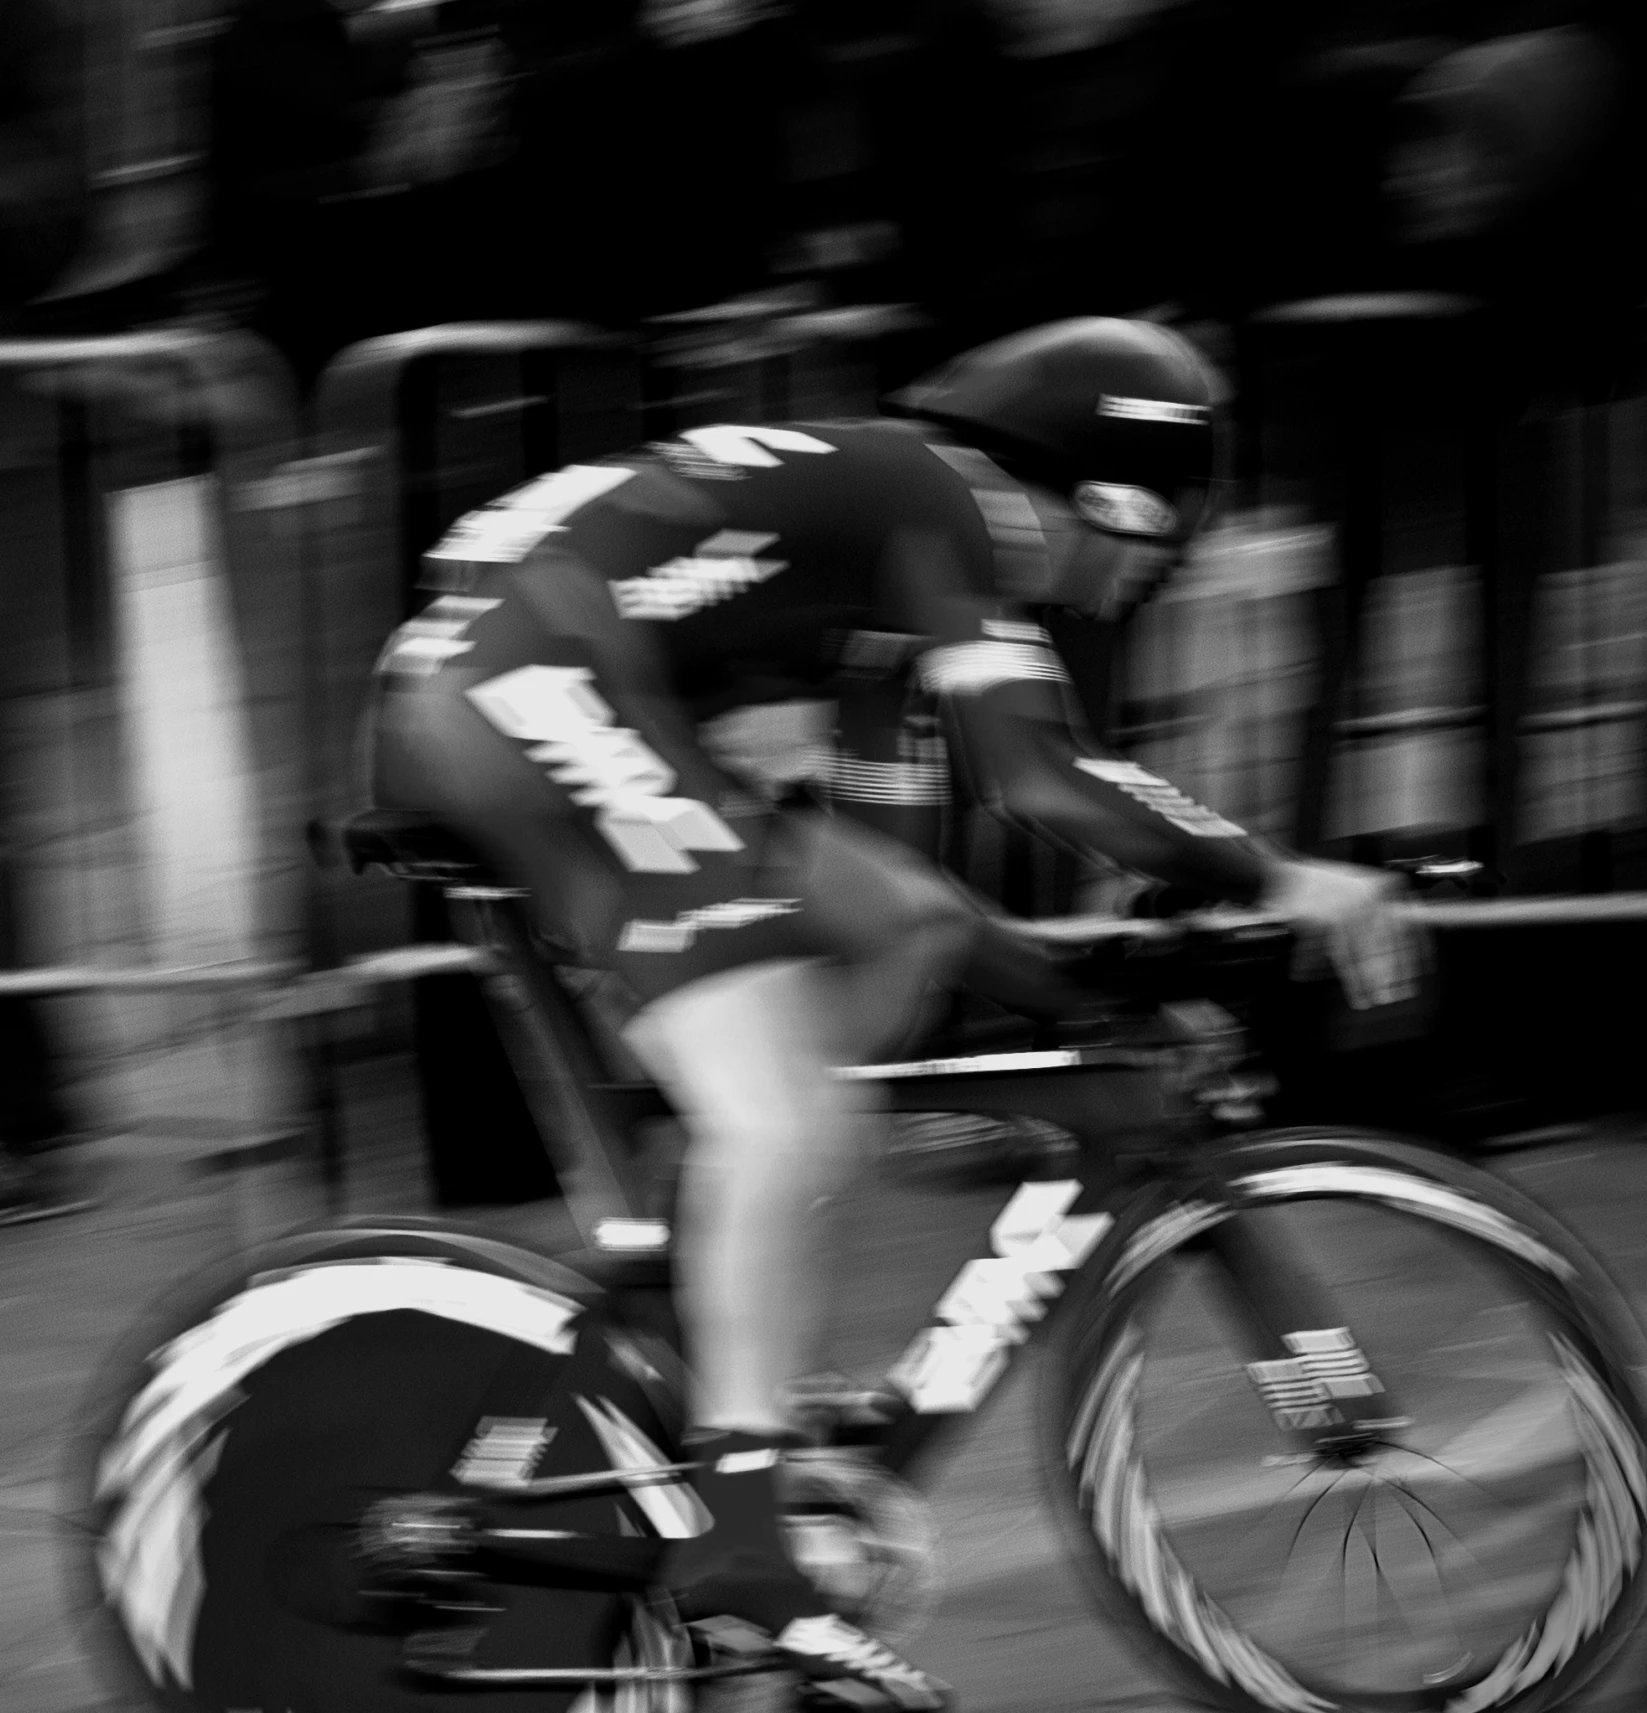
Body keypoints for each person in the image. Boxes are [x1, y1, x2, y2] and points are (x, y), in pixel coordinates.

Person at [363, 316, 1420, 1705]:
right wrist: (1280, 876)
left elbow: (880, 858)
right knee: (785, 1112)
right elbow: (1038, 777)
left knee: (902, 928)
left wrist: (1079, 983)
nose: (1144, 581)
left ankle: (712, 1303)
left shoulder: (865, 539)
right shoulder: (947, 504)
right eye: (1162, 542)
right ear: (1118, 495)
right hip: (517, 678)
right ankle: (746, 1539)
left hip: (541, 665)